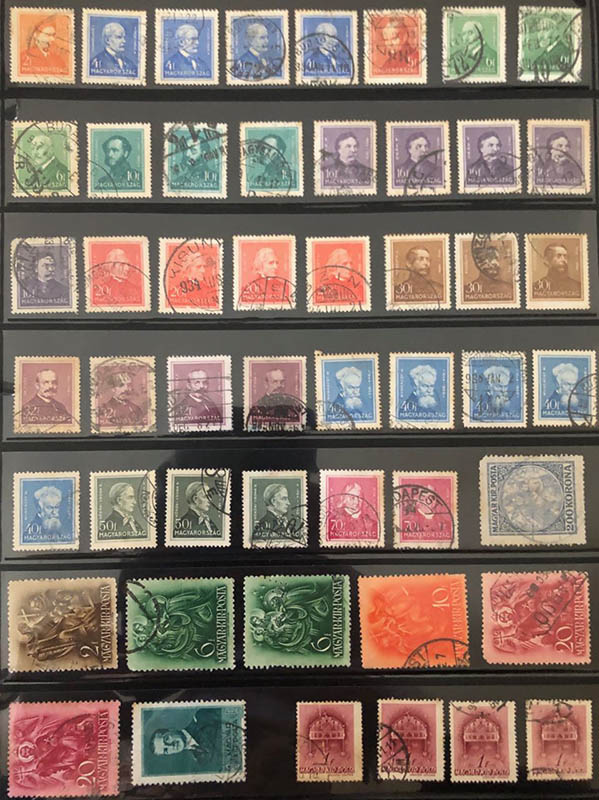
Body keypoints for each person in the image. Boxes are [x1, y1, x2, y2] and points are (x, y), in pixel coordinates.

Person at [150, 712, 218, 765]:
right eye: (166, 750)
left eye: (167, 739)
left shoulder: (201, 717)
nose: (171, 746)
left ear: (171, 729)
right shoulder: (199, 759)